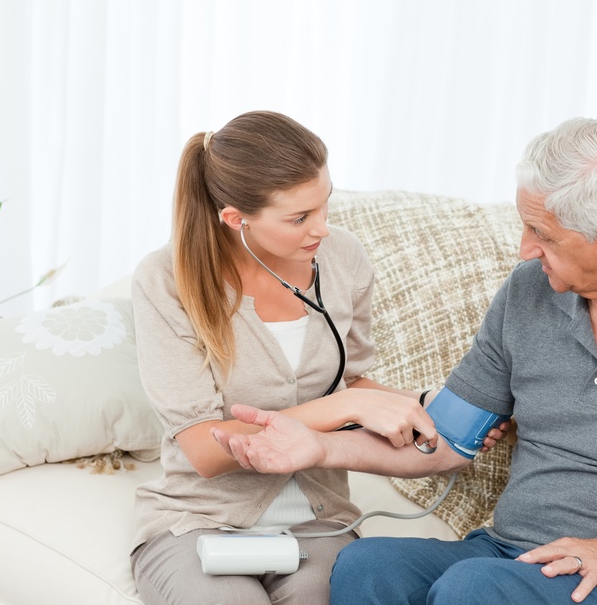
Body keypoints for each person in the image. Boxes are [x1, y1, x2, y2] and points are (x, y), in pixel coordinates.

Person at [213, 117, 597, 605]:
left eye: (540, 233)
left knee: (474, 590)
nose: (525, 250)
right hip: (512, 555)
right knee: (369, 566)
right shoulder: (529, 294)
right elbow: (445, 440)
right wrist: (319, 447)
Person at [129, 111, 456, 605]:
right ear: (236, 218)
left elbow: (350, 382)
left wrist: (429, 405)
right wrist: (340, 408)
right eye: (300, 218)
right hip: (199, 518)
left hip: (319, 522)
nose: (322, 229)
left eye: (325, 205)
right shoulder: (165, 281)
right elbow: (204, 449)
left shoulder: (343, 258)